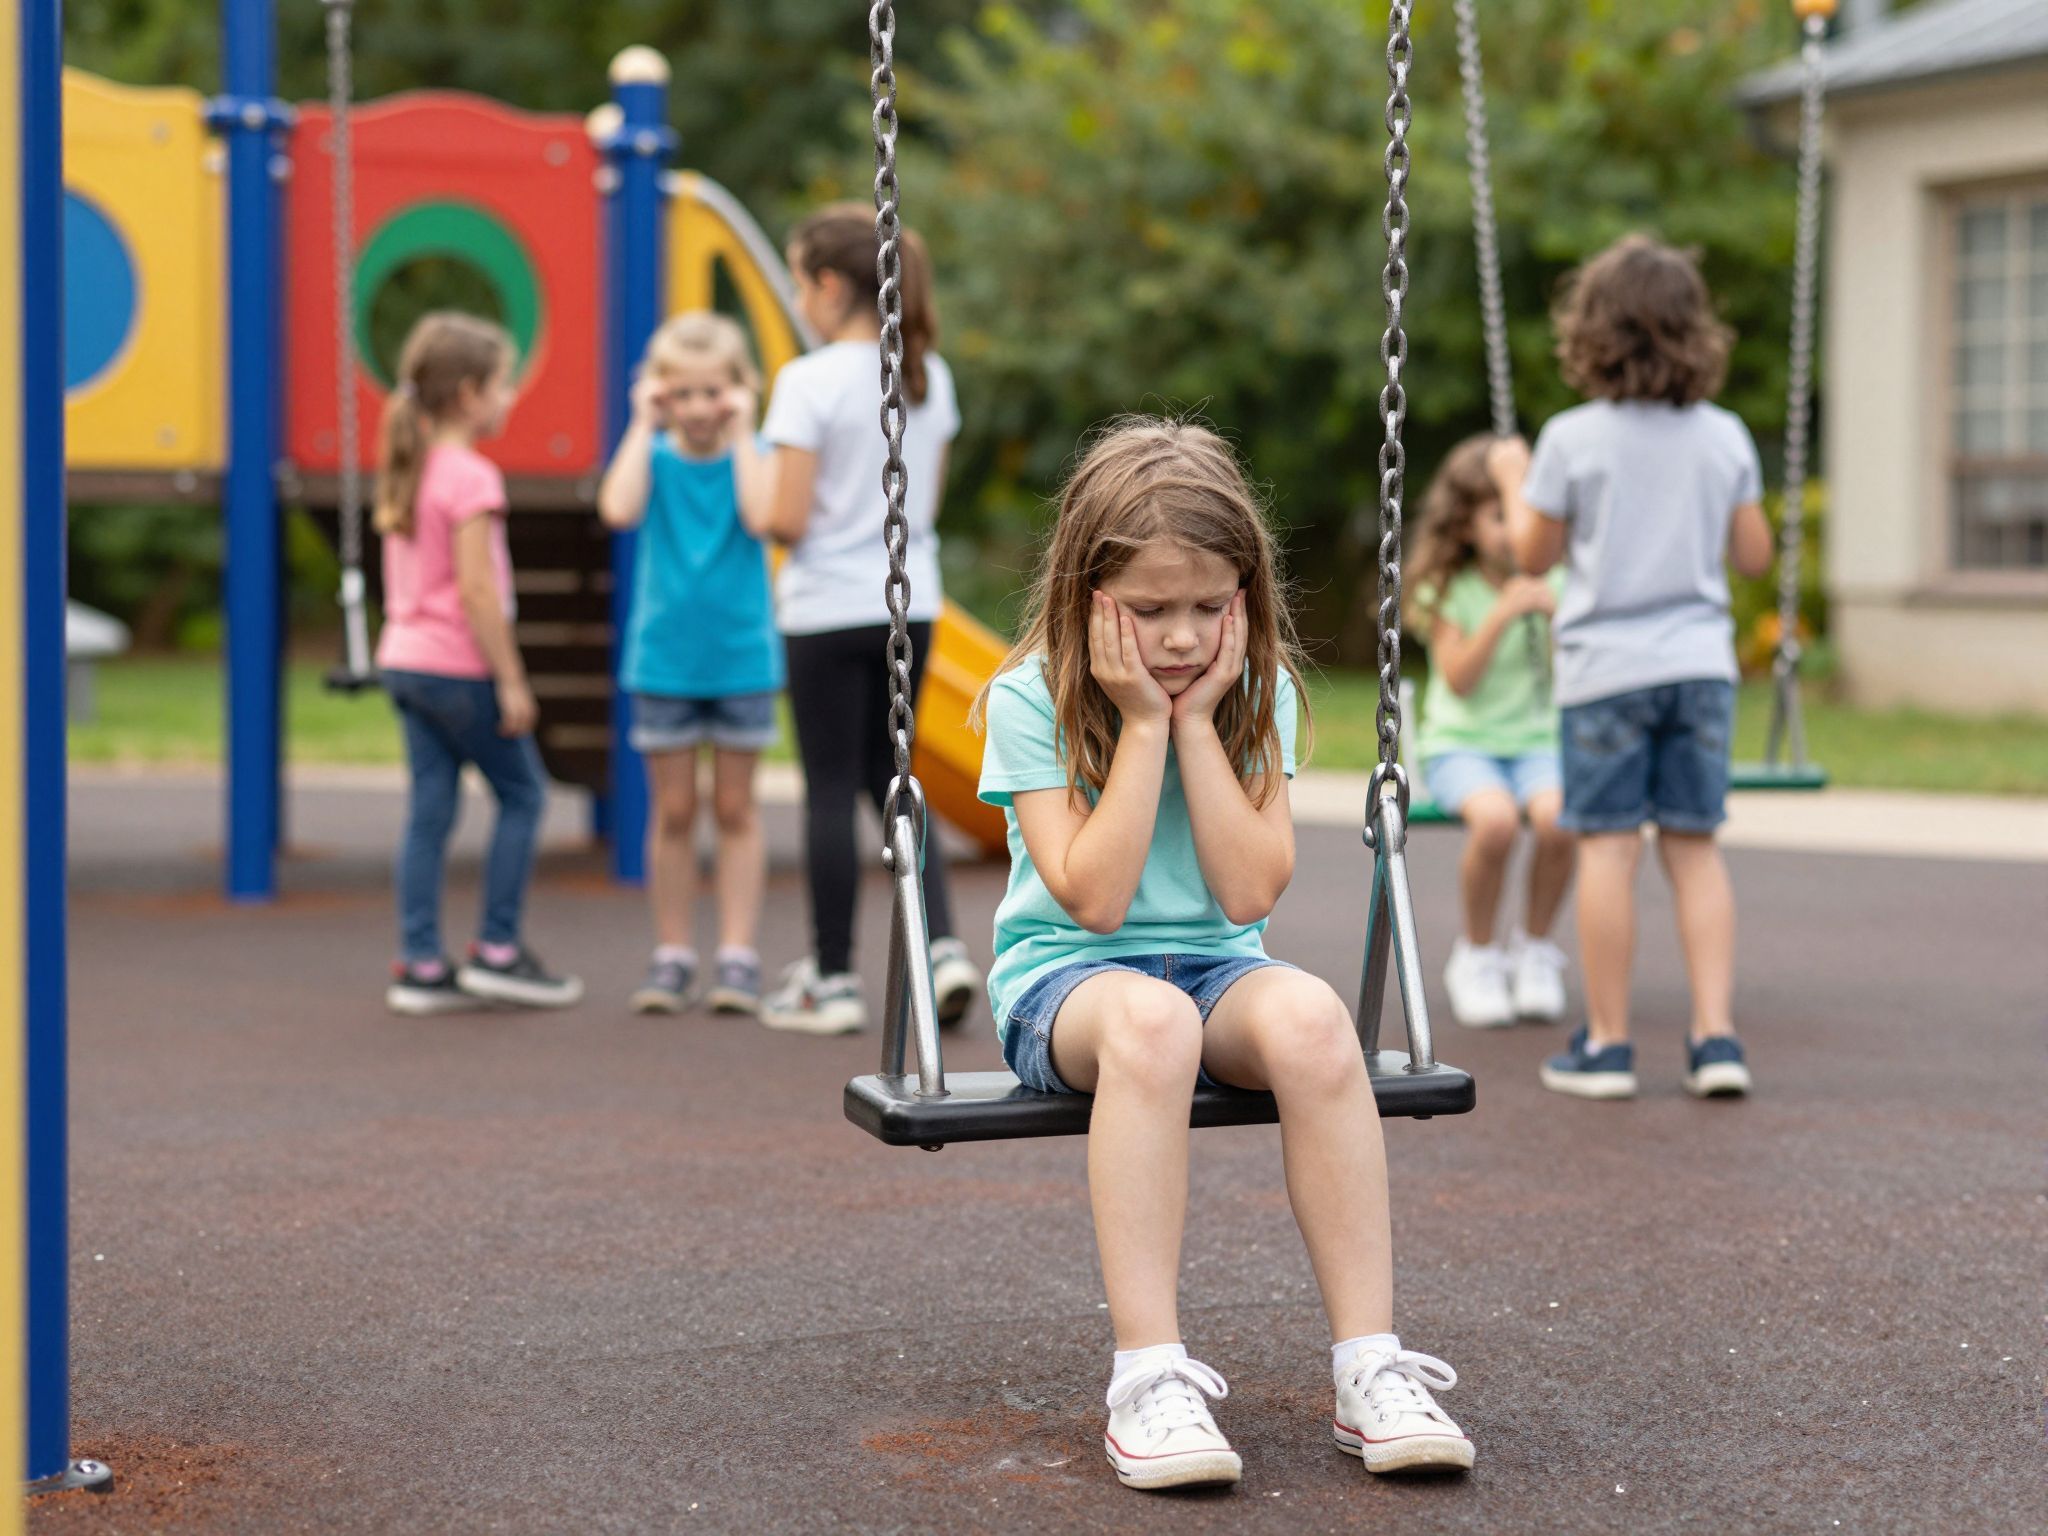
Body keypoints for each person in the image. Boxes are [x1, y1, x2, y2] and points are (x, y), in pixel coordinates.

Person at [974, 418, 1473, 1491]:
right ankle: (1146, 1378)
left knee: (1311, 1018)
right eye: (1148, 611)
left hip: (1213, 967)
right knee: (1151, 1024)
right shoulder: (1027, 700)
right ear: (1082, 595)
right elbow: (1095, 900)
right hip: (1064, 984)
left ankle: (1367, 1365)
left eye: (1207, 607)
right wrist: (1141, 728)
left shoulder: (1259, 697)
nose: (1180, 637)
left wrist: (1199, 725)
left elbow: (1248, 891)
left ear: (1244, 595)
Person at [1491, 234, 1775, 1100]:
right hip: (1699, 668)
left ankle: (1608, 1046)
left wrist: (1513, 477)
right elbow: (1756, 557)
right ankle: (1716, 1039)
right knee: (1694, 851)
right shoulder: (1724, 436)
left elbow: (1531, 556)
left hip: (1606, 669)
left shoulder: (1572, 439)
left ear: (1593, 332)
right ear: (1696, 334)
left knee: (1609, 853)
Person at [755, 203, 981, 1035]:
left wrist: (754, 488)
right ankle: (944, 946)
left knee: (825, 788)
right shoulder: (928, 374)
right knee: (894, 777)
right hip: (907, 601)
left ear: (825, 285)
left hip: (822, 606)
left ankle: (832, 976)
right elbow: (927, 502)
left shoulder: (806, 380)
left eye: (795, 280)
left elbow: (785, 518)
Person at [375, 312, 582, 1015]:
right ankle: (496, 949)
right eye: (502, 383)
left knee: (429, 812)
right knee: (523, 795)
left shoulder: (409, 464)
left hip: (403, 659)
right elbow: (476, 589)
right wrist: (512, 678)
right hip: (458, 667)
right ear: (467, 394)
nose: (510, 396)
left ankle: (419, 962)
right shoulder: (471, 476)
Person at [598, 314, 782, 1016]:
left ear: (738, 392)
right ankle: (673, 953)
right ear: (660, 394)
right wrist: (643, 424)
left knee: (735, 809)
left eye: (716, 393)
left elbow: (762, 516)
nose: (700, 409)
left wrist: (744, 432)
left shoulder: (753, 451)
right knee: (673, 811)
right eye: (685, 394)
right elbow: (617, 508)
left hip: (740, 657)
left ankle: (736, 955)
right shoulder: (655, 456)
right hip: (665, 659)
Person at [1407, 435, 1574, 1029]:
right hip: (1463, 746)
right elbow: (1458, 680)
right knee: (1498, 822)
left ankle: (1534, 950)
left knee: (1561, 821)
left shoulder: (1555, 584)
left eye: (1522, 514)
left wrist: (1556, 624)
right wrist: (1502, 615)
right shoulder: (1450, 589)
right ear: (1465, 524)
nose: (1513, 529)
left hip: (1537, 743)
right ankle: (1477, 954)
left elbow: (1571, 677)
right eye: (1499, 516)